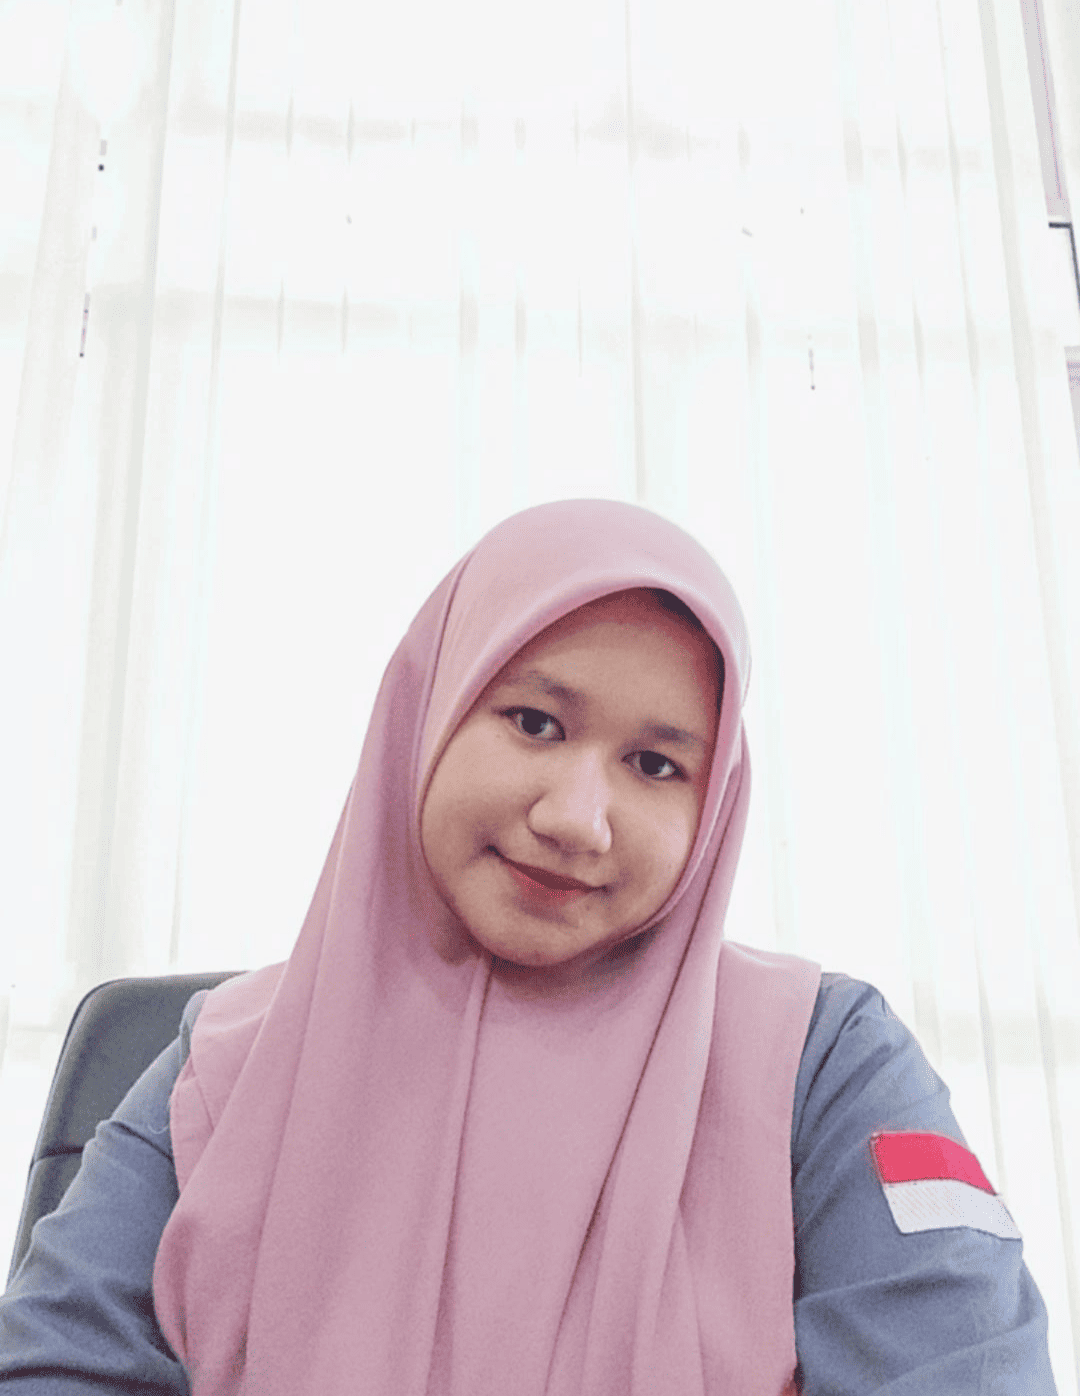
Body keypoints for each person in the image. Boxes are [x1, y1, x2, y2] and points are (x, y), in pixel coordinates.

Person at [0, 498, 1057, 1394]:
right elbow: (57, 1362)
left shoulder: (824, 1059)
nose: (576, 819)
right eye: (535, 723)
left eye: (656, 765)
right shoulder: (226, 1065)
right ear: (428, 715)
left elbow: (961, 1366)